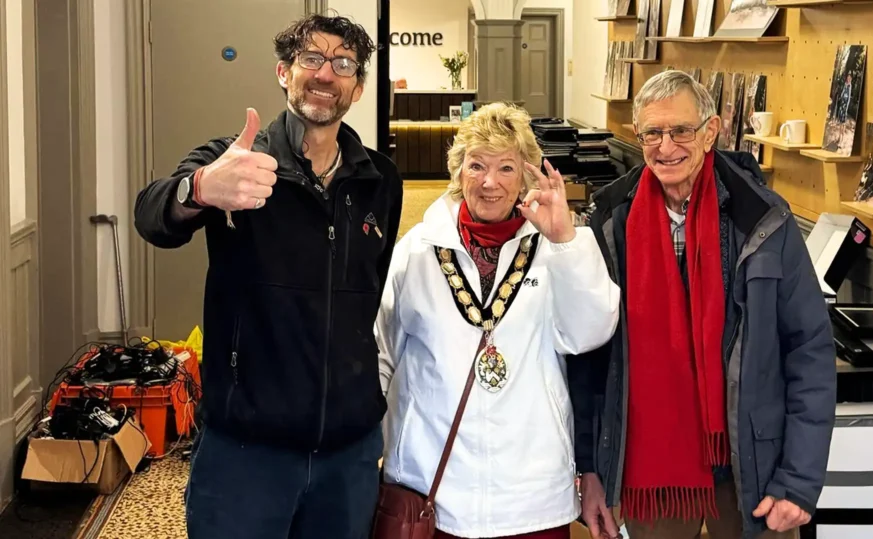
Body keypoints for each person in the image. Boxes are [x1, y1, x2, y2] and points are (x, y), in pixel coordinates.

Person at [133, 14, 402, 539]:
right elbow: (152, 216)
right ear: (284, 72)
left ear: (359, 86)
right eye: (311, 59)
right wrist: (202, 189)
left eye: (343, 63)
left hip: (347, 454)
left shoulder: (380, 180)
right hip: (245, 451)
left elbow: (373, 289)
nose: (326, 74)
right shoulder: (233, 162)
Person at [570, 70, 837, 539]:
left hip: (753, 471)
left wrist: (798, 480)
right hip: (652, 473)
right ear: (638, 137)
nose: (666, 146)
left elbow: (809, 352)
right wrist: (591, 470)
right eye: (652, 132)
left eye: (681, 131)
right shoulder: (611, 221)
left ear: (711, 132)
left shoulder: (764, 220)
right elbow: (591, 361)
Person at [375, 102, 621, 539]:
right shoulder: (418, 250)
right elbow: (383, 354)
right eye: (476, 166)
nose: (489, 183)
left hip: (530, 491)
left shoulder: (555, 248)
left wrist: (565, 241)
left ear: (526, 175)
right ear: (458, 171)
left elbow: (589, 334)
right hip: (432, 483)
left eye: (506, 167)